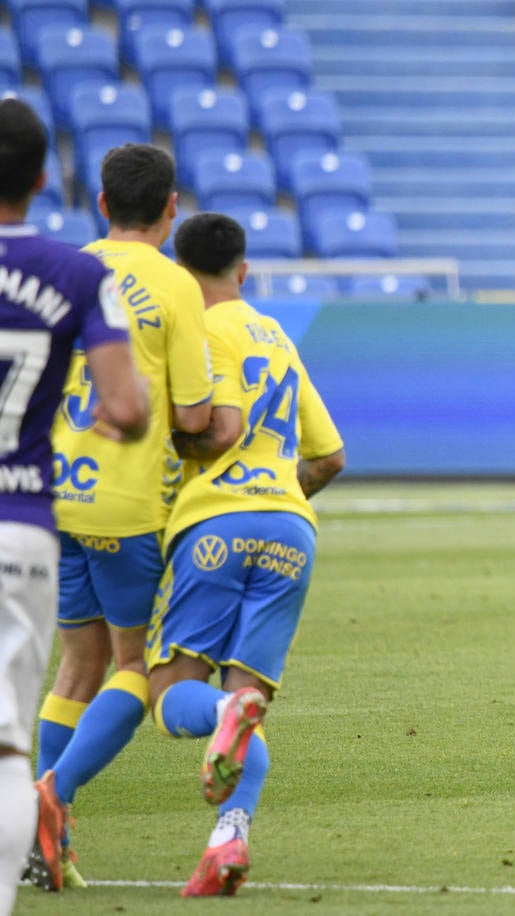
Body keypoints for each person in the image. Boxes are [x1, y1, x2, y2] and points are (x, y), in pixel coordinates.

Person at [31, 142, 215, 891]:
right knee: (135, 667)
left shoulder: (65, 270)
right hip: (128, 503)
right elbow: (197, 413)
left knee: (76, 665)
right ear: (173, 209)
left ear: (99, 205)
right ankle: (50, 798)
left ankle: (38, 837)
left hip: (52, 496)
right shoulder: (174, 286)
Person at [146, 212, 344, 896]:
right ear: (245, 269)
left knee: (172, 694)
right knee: (247, 697)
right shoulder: (275, 334)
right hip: (291, 529)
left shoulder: (194, 330)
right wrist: (276, 497)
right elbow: (329, 455)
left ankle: (225, 720)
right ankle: (228, 841)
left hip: (215, 524)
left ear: (179, 268)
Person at [0, 97, 149, 910]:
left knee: (77, 670)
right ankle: (32, 839)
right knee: (10, 739)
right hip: (28, 516)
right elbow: (126, 408)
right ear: (47, 177)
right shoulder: (75, 273)